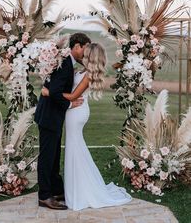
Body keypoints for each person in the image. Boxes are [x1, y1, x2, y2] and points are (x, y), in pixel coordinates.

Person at [42, 43, 132, 211]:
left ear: (91, 57)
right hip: (73, 112)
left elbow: (74, 96)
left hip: (77, 112)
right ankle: (74, 188)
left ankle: (81, 191)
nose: (82, 55)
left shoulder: (89, 75)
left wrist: (49, 93)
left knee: (75, 149)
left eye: (86, 54)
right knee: (74, 149)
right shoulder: (82, 71)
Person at [34, 32, 91, 210]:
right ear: (76, 47)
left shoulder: (66, 62)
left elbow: (52, 90)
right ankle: (44, 196)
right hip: (49, 115)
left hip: (53, 116)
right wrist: (70, 103)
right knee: (47, 157)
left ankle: (56, 190)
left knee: (54, 156)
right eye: (85, 49)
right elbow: (56, 92)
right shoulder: (65, 64)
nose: (86, 54)